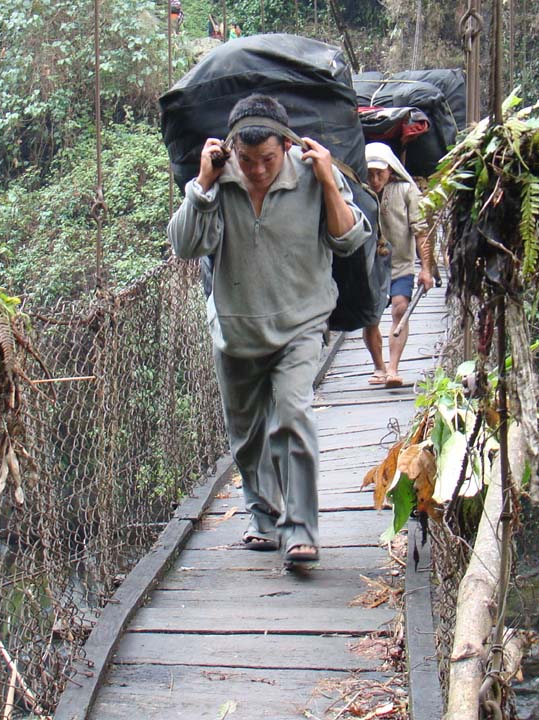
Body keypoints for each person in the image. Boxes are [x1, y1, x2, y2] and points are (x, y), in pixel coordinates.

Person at [169, 95, 372, 565]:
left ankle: (300, 528)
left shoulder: (313, 173)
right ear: (231, 149)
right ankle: (263, 518)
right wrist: (202, 182)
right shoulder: (219, 181)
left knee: (293, 414)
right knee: (247, 434)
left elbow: (349, 239)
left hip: (301, 323)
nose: (258, 170)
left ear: (287, 145)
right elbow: (183, 245)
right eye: (247, 160)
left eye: (268, 160)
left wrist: (326, 182)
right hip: (236, 328)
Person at [363, 142, 433, 389]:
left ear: (390, 170)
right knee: (370, 318)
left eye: (379, 173)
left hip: (400, 264)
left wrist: (426, 268)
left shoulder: (405, 191)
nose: (374, 179)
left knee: (400, 310)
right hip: (370, 266)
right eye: (369, 173)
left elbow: (421, 230)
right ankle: (379, 367)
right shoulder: (360, 192)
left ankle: (393, 368)